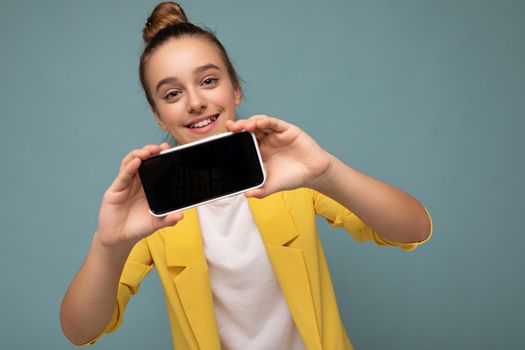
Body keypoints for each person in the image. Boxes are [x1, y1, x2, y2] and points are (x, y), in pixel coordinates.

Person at [60, 2, 432, 349]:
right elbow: (80, 330)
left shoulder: (288, 172)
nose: (195, 102)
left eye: (208, 81)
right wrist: (108, 245)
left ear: (235, 89)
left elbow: (414, 229)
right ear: (159, 116)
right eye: (172, 93)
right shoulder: (156, 207)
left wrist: (327, 172)